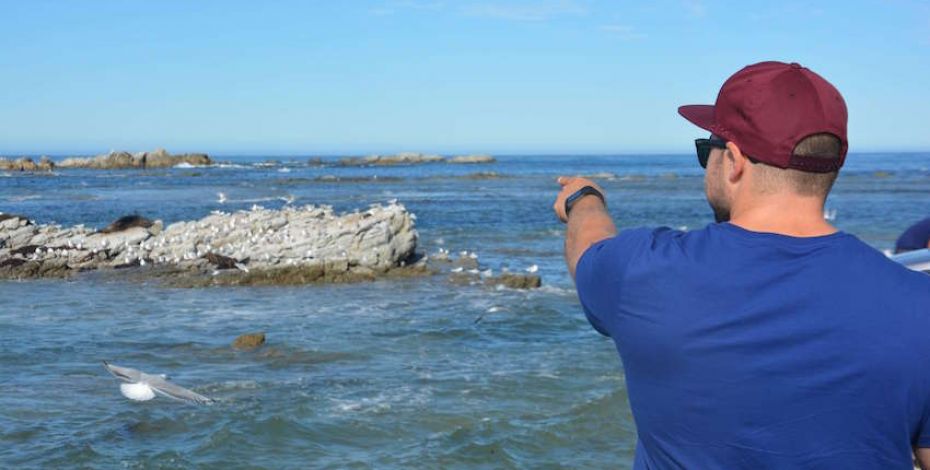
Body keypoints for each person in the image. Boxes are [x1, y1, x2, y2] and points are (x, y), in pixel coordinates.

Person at [553, 61, 930, 469]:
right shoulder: (918, 305)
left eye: (707, 150)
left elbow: (589, 248)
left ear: (733, 160)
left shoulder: (643, 271)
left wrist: (583, 198)